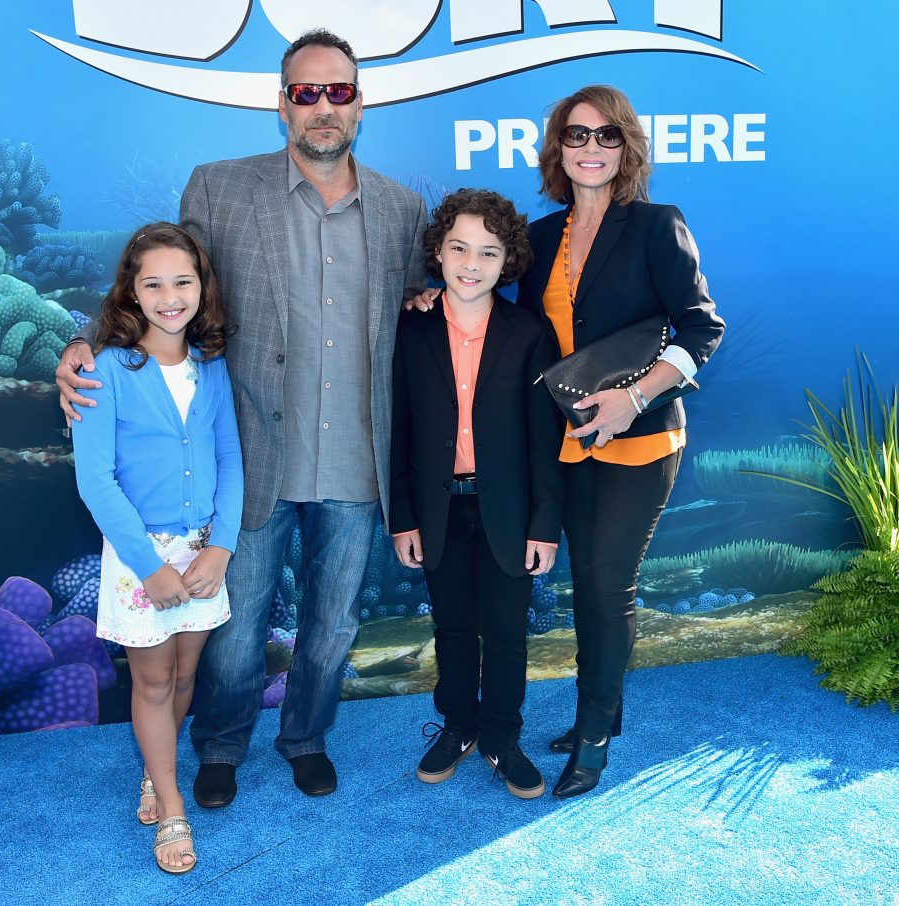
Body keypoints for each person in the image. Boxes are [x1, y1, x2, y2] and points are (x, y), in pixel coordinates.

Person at [57, 30, 426, 804]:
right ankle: (220, 747)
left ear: (360, 104)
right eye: (305, 92)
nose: (323, 106)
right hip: (251, 456)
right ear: (281, 104)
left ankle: (306, 738)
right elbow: (161, 279)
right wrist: (85, 343)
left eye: (338, 91)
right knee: (233, 629)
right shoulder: (218, 188)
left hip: (356, 458)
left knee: (332, 625)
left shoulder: (402, 208)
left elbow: (423, 310)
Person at [515, 85, 725, 798]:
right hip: (572, 440)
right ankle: (603, 710)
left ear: (626, 146)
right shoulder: (539, 237)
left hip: (640, 442)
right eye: (577, 135)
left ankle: (594, 737)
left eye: (607, 135)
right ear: (558, 147)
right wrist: (428, 296)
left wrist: (632, 398)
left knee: (608, 586)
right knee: (589, 584)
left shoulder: (657, 225)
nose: (592, 148)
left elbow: (702, 327)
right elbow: (501, 310)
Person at [71, 223, 243, 873]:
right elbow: (95, 480)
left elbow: (231, 459)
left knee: (185, 676)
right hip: (139, 557)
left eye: (183, 282)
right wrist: (149, 566)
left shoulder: (212, 365)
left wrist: (220, 547)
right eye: (154, 284)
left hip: (202, 554)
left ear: (202, 287)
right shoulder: (104, 369)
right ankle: (172, 807)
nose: (170, 298)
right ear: (131, 292)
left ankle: (156, 767)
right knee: (152, 680)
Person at [390, 189, 562, 799]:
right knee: (453, 627)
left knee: (507, 631)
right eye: (459, 248)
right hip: (438, 509)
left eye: (489, 252)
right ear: (437, 252)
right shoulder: (409, 328)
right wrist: (403, 517)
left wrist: (544, 525)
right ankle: (458, 725)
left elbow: (544, 440)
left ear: (508, 261)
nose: (471, 263)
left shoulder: (529, 333)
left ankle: (501, 736)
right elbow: (398, 430)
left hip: (508, 513)